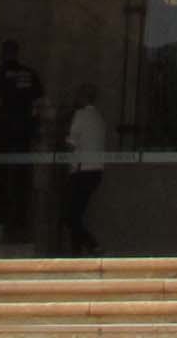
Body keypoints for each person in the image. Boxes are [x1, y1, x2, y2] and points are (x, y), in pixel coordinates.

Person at [0, 39, 44, 242]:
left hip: (3, 135)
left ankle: (0, 217)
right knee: (21, 179)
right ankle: (18, 220)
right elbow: (38, 103)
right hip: (23, 135)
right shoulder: (29, 74)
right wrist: (34, 127)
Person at [62, 85, 107, 257]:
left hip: (81, 171)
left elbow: (71, 144)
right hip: (96, 171)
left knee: (69, 214)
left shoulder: (80, 116)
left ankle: (91, 244)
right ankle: (78, 251)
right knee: (76, 214)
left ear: (82, 98)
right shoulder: (99, 118)